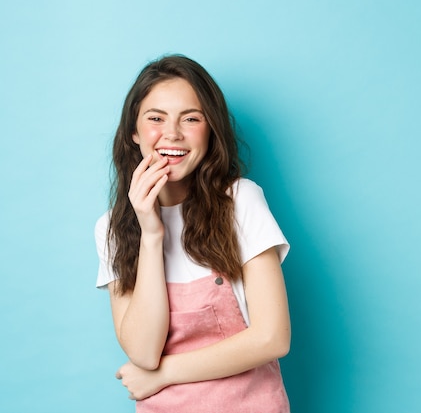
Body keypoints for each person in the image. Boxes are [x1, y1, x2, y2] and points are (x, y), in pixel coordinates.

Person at [94, 54, 291, 413]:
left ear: (211, 129)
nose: (172, 133)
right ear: (133, 132)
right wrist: (151, 234)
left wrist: (164, 374)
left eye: (191, 118)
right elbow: (142, 352)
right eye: (156, 118)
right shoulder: (111, 228)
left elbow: (272, 337)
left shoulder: (240, 201)